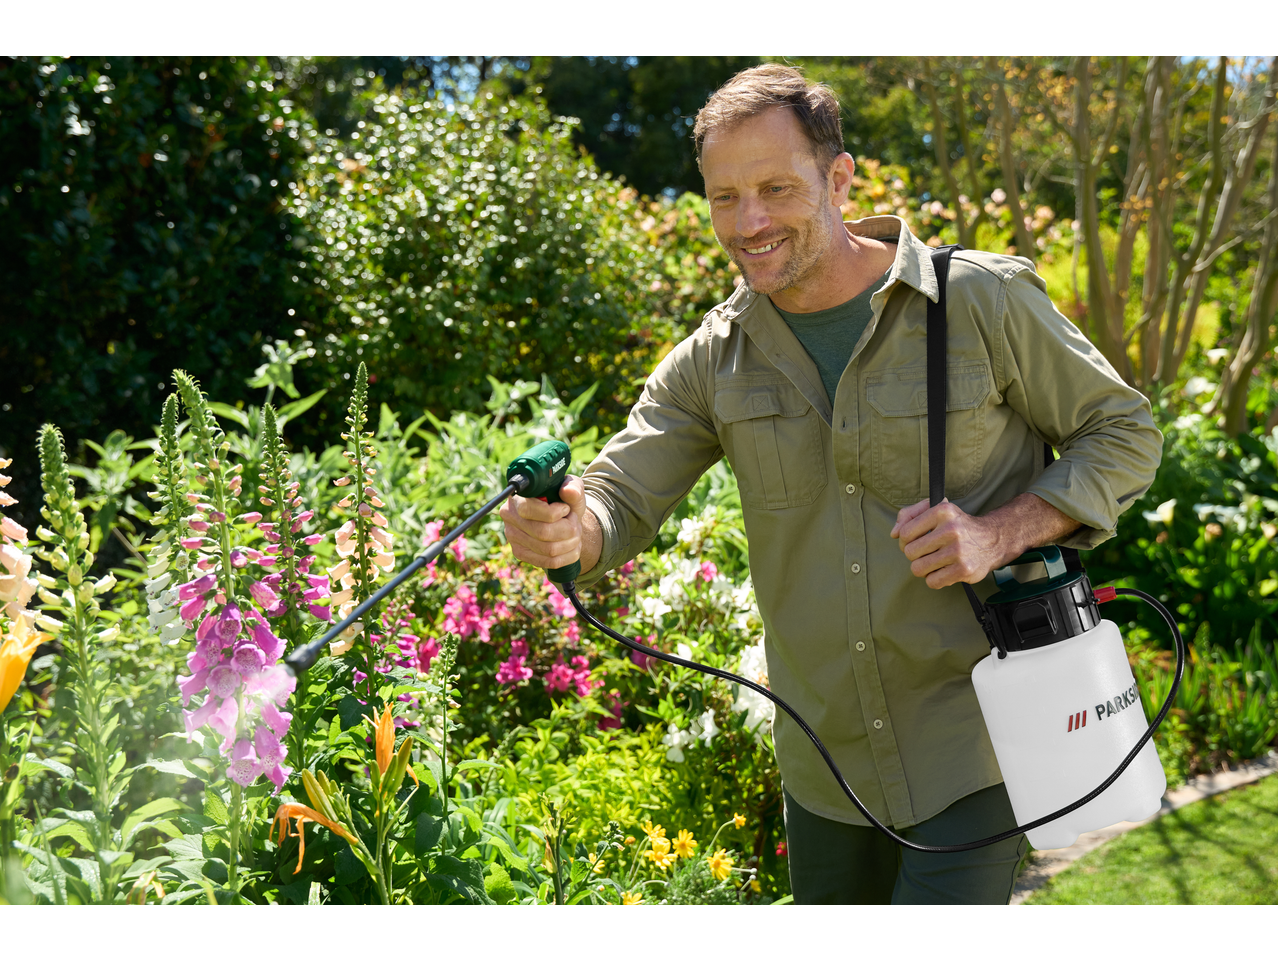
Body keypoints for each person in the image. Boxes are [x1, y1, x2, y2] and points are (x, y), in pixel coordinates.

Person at [499, 64, 1162, 904]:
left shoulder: (980, 300)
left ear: (839, 177)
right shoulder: (713, 357)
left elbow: (1124, 431)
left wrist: (1003, 530)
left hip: (977, 743)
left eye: (777, 187)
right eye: (724, 197)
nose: (751, 222)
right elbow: (617, 497)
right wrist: (568, 529)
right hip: (824, 767)